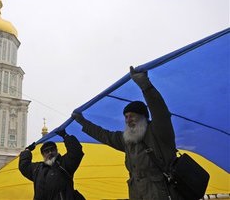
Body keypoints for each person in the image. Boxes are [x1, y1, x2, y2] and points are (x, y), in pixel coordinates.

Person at [72, 66, 184, 200]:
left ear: (143, 116)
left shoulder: (158, 131)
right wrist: (83, 122)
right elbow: (104, 135)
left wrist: (146, 86)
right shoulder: (127, 140)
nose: (128, 120)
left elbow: (160, 111)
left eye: (132, 116)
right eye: (126, 117)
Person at [19, 129, 84, 200]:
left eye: (52, 149)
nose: (50, 153)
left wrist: (65, 136)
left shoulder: (64, 163)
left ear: (56, 150)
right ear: (43, 154)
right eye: (46, 151)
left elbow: (76, 152)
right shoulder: (37, 169)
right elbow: (24, 166)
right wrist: (27, 151)